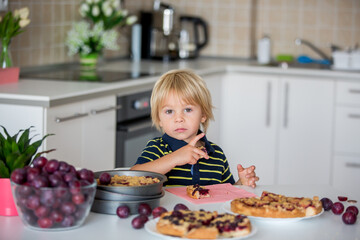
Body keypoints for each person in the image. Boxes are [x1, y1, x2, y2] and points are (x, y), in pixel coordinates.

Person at [131, 69, 259, 187]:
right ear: (160, 120)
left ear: (203, 115)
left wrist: (241, 184)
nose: (179, 118)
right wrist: (174, 158)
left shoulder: (217, 155)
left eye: (187, 109)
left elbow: (226, 193)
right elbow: (133, 176)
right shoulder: (157, 149)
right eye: (169, 111)